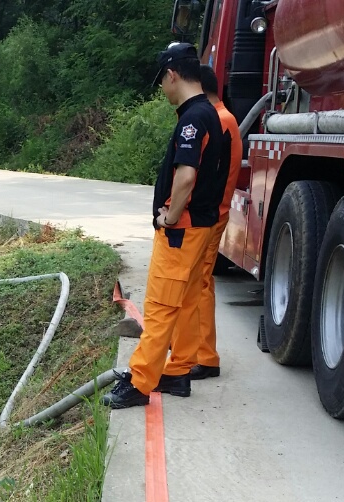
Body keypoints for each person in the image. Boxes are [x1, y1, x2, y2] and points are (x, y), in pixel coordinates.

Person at [103, 42, 232, 409]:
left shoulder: (192, 120)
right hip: (202, 227)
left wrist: (169, 216)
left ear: (172, 75)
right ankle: (177, 371)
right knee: (188, 302)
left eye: (161, 80)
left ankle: (141, 382)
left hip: (182, 231)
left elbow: (186, 176)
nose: (161, 88)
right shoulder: (210, 113)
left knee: (160, 307)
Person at [162, 64, 244, 383]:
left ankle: (203, 356)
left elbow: (197, 174)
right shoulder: (224, 118)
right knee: (200, 285)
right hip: (213, 214)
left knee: (196, 287)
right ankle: (199, 353)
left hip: (207, 218)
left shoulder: (216, 120)